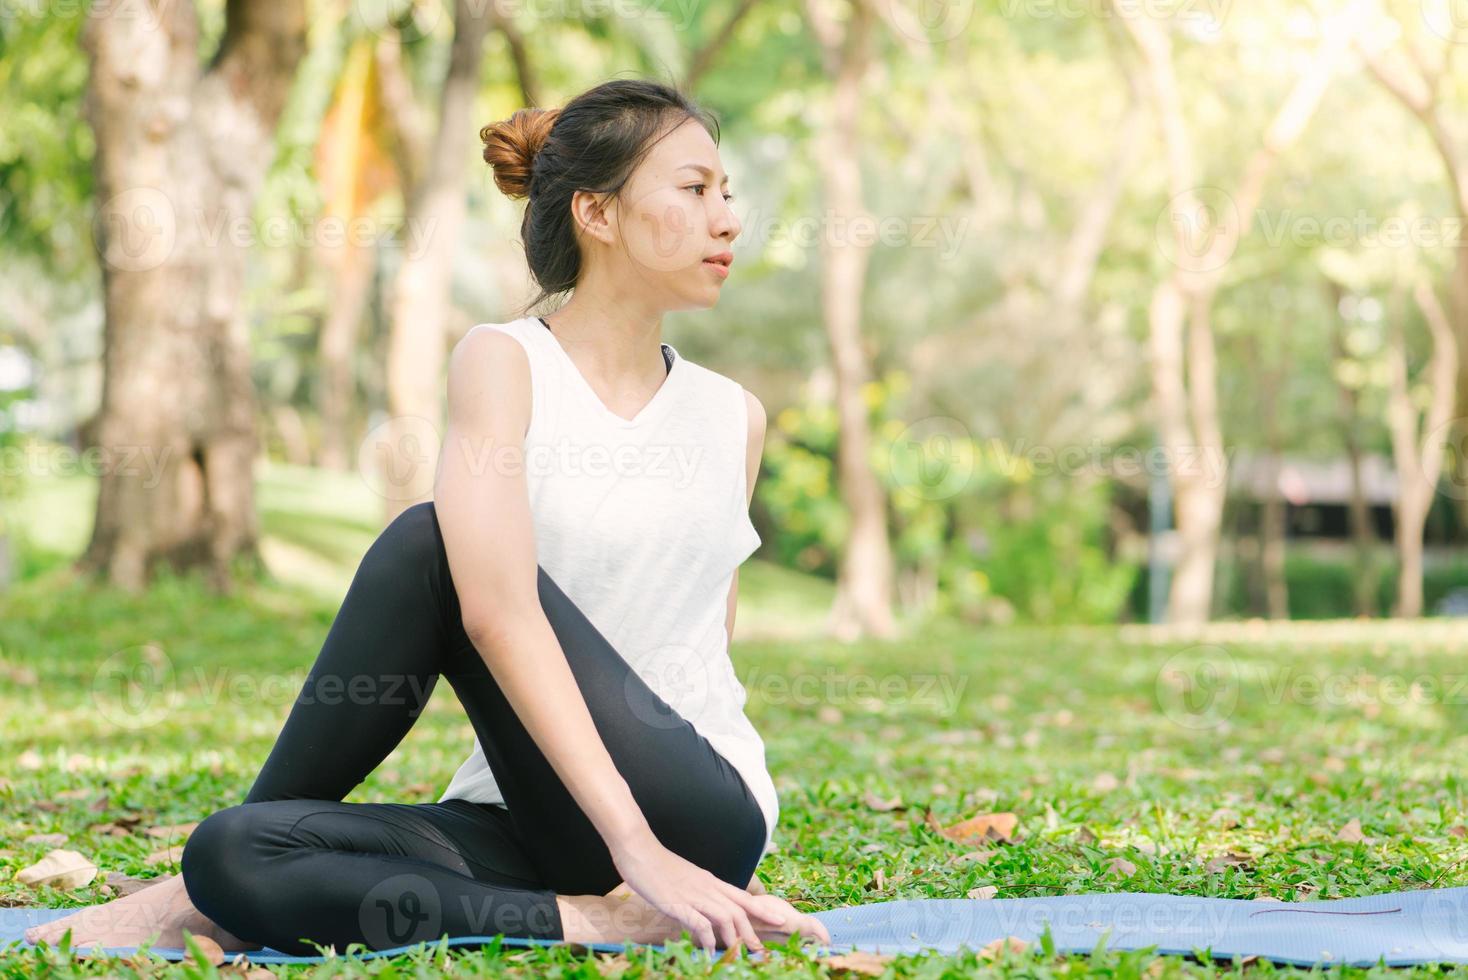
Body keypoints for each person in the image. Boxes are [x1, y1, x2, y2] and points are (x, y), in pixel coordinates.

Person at [26, 77, 830, 958]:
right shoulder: (507, 363)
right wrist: (618, 874)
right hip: (528, 819)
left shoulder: (732, 417)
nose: (727, 220)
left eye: (726, 194)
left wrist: (648, 849)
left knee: (428, 545)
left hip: (690, 813)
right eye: (695, 188)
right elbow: (498, 613)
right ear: (597, 215)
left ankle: (181, 903)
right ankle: (589, 921)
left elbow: (697, 642)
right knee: (236, 852)